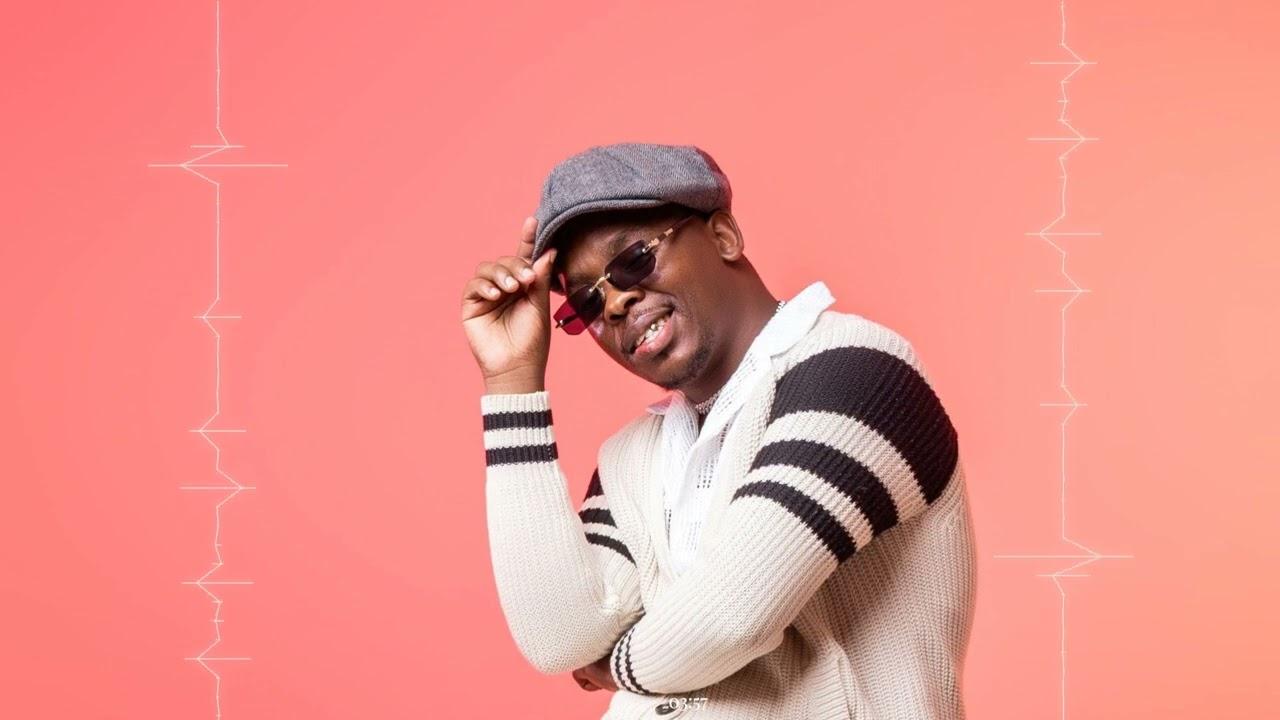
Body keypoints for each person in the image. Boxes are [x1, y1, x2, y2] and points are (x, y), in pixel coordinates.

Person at [460, 142, 977, 719]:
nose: (615, 303)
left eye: (634, 260)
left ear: (724, 236)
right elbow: (560, 636)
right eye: (587, 301)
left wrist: (618, 668)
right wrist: (512, 381)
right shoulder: (632, 457)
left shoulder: (858, 373)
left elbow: (733, 615)